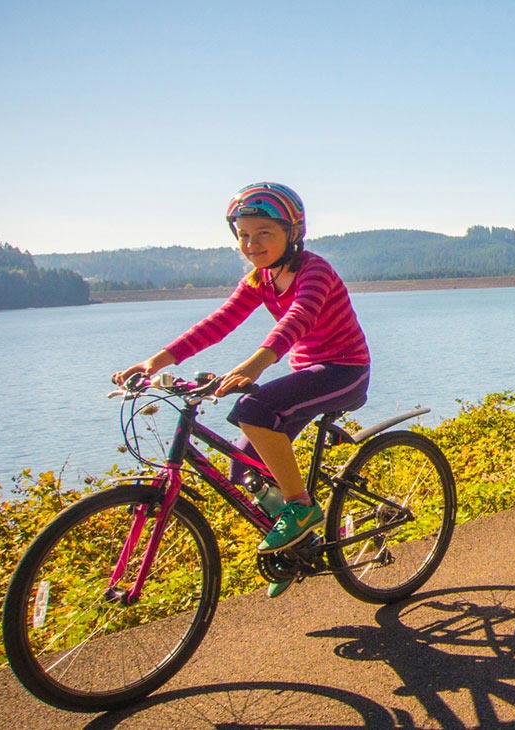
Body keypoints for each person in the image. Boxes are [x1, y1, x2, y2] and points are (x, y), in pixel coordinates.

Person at [112, 182, 370, 597]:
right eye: (244, 235)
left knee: (252, 407)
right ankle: (295, 549)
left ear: (293, 232)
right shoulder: (259, 279)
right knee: (244, 470)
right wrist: (155, 362)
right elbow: (218, 323)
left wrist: (253, 366)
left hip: (344, 371)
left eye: (264, 233)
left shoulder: (314, 271)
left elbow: (297, 321)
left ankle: (301, 509)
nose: (252, 243)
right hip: (308, 372)